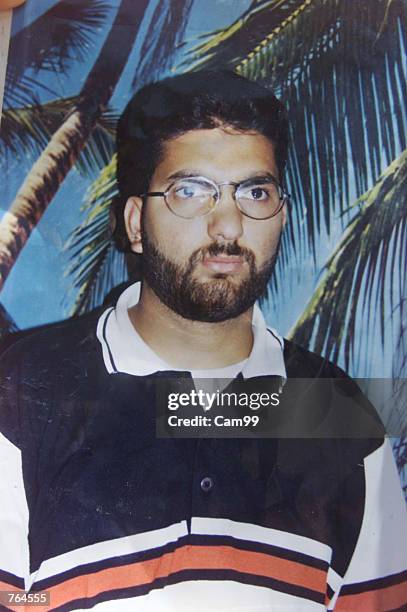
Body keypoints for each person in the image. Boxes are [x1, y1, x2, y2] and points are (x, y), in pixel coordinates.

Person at [0, 71, 406, 611]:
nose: (229, 226)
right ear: (136, 223)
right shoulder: (22, 391)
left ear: (280, 214)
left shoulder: (339, 414)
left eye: (255, 192)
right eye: (190, 192)